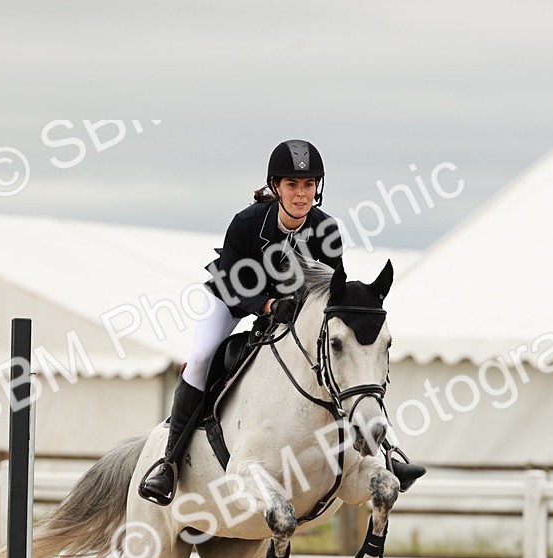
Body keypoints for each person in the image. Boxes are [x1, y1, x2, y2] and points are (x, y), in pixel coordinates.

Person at [138, 139, 418, 504]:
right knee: (204, 357)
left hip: (293, 308)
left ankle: (390, 453)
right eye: (292, 185)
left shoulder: (327, 231)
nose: (301, 194)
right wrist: (268, 306)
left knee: (348, 361)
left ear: (318, 189)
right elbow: (231, 283)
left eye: (308, 185)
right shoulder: (247, 224)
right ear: (276, 187)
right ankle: (169, 461)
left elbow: (327, 295)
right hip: (231, 298)